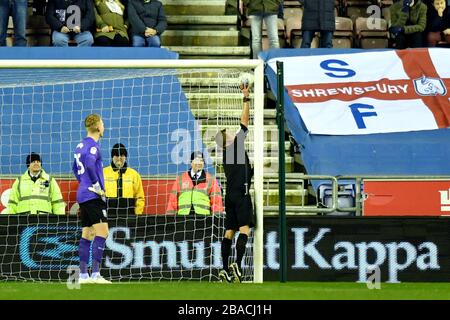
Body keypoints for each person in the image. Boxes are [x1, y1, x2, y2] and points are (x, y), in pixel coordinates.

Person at [215, 82, 254, 283]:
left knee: (229, 231)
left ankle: (223, 269)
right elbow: (245, 122)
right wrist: (246, 98)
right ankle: (237, 265)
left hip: (229, 195)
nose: (232, 132)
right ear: (228, 140)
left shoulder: (226, 155)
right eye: (229, 133)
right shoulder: (235, 147)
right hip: (241, 194)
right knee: (245, 229)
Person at [72, 114, 111, 284]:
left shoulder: (80, 145)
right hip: (92, 195)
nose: (104, 127)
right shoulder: (93, 146)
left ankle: (82, 275)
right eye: (102, 123)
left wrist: (83, 183)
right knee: (103, 232)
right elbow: (88, 164)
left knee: (87, 233)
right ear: (97, 127)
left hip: (83, 193)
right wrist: (95, 186)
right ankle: (95, 274)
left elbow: (75, 168)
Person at [166, 151, 224, 216]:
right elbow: (172, 200)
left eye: (201, 160)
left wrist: (218, 217)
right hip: (182, 218)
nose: (199, 163)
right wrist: (169, 218)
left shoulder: (211, 179)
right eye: (196, 160)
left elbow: (217, 201)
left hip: (203, 219)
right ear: (191, 162)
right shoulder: (180, 178)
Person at [103, 143, 145, 215]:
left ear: (125, 157)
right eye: (116, 155)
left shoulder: (134, 175)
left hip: (129, 216)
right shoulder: (103, 173)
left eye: (122, 155)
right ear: (112, 157)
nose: (119, 158)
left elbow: (140, 197)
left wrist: (137, 215)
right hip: (108, 216)